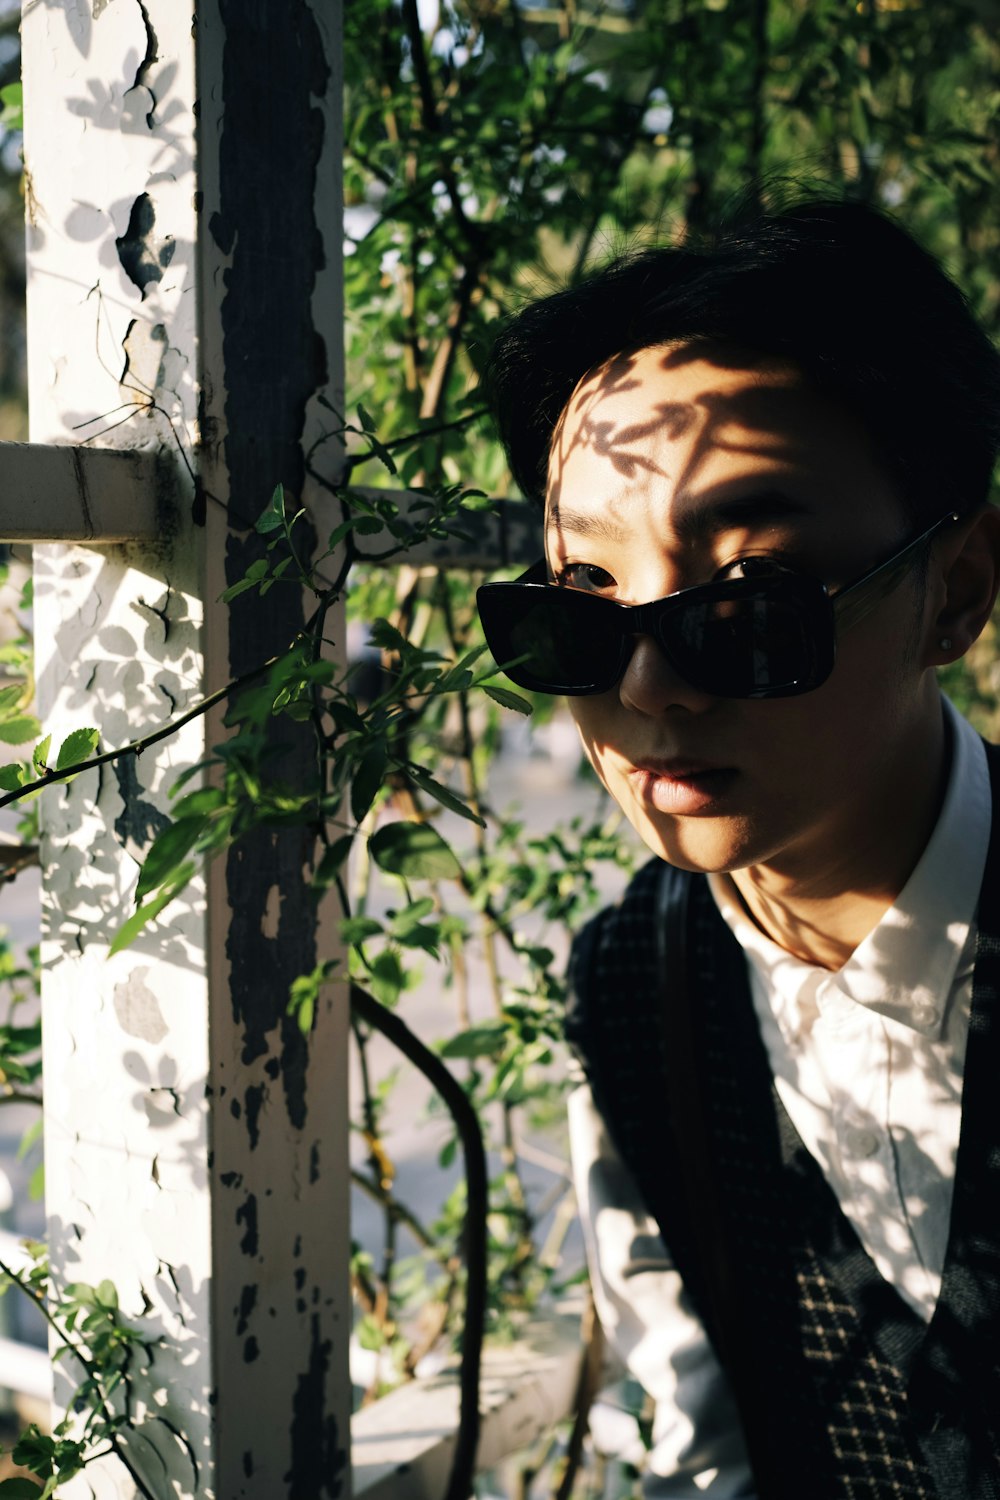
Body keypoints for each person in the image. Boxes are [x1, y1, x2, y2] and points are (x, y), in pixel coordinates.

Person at [475, 198, 1000, 1499]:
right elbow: (686, 1448)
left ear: (956, 592)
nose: (648, 686)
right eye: (581, 608)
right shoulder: (634, 988)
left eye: (752, 600)